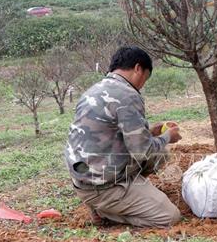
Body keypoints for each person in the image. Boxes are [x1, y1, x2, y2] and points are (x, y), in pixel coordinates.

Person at [65, 46, 183, 227]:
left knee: (158, 154)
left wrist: (151, 132)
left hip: (83, 179)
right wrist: (168, 137)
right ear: (138, 68)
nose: (144, 82)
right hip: (103, 186)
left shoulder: (93, 91)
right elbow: (143, 151)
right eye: (146, 76)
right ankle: (106, 211)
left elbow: (110, 135)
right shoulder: (127, 94)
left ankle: (117, 200)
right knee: (169, 217)